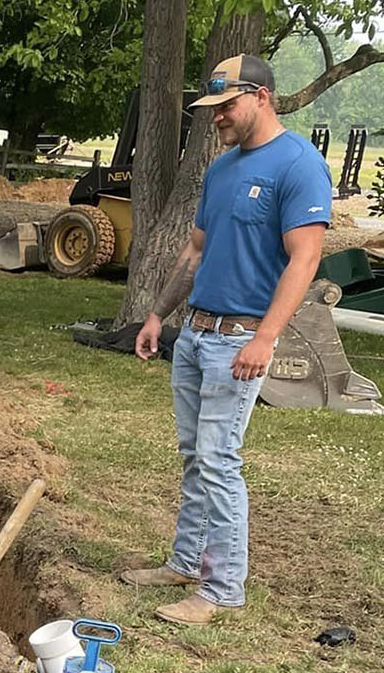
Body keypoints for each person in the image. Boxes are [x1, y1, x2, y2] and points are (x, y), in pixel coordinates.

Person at [124, 54, 331, 626]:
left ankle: (222, 590)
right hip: (194, 335)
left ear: (261, 96)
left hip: (238, 342)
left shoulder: (298, 165)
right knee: (195, 457)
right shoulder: (221, 170)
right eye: (211, 109)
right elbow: (194, 249)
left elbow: (305, 257)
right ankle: (185, 562)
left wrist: (266, 338)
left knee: (218, 461)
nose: (216, 118)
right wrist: (157, 315)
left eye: (225, 106)